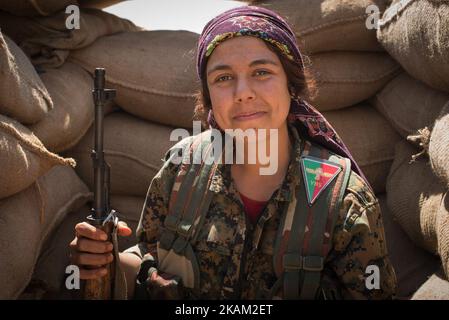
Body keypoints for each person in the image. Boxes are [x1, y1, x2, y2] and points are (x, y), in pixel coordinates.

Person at [70, 6, 397, 300]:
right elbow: (148, 254)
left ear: (292, 85)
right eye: (224, 78)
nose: (243, 93)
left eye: (261, 72)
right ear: (209, 97)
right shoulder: (183, 167)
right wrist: (106, 263)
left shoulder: (342, 198)